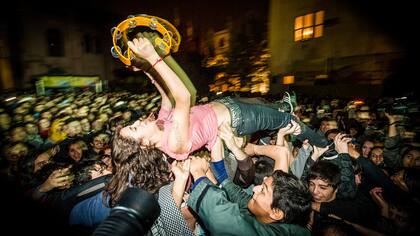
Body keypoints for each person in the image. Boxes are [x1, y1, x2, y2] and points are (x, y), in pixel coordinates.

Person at [119, 36, 328, 160]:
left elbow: (167, 95)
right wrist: (153, 58)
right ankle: (322, 145)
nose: (137, 121)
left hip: (227, 105)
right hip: (240, 119)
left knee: (266, 104)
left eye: (132, 124)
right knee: (285, 121)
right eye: (135, 128)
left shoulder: (161, 123)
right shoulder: (173, 144)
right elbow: (182, 97)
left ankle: (283, 105)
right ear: (144, 144)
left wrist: (147, 69)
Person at [187, 155, 312, 235]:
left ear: (276, 212)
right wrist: (208, 174)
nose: (255, 189)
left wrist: (198, 173)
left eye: (263, 190)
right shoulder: (266, 214)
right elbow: (242, 199)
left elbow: (225, 220)